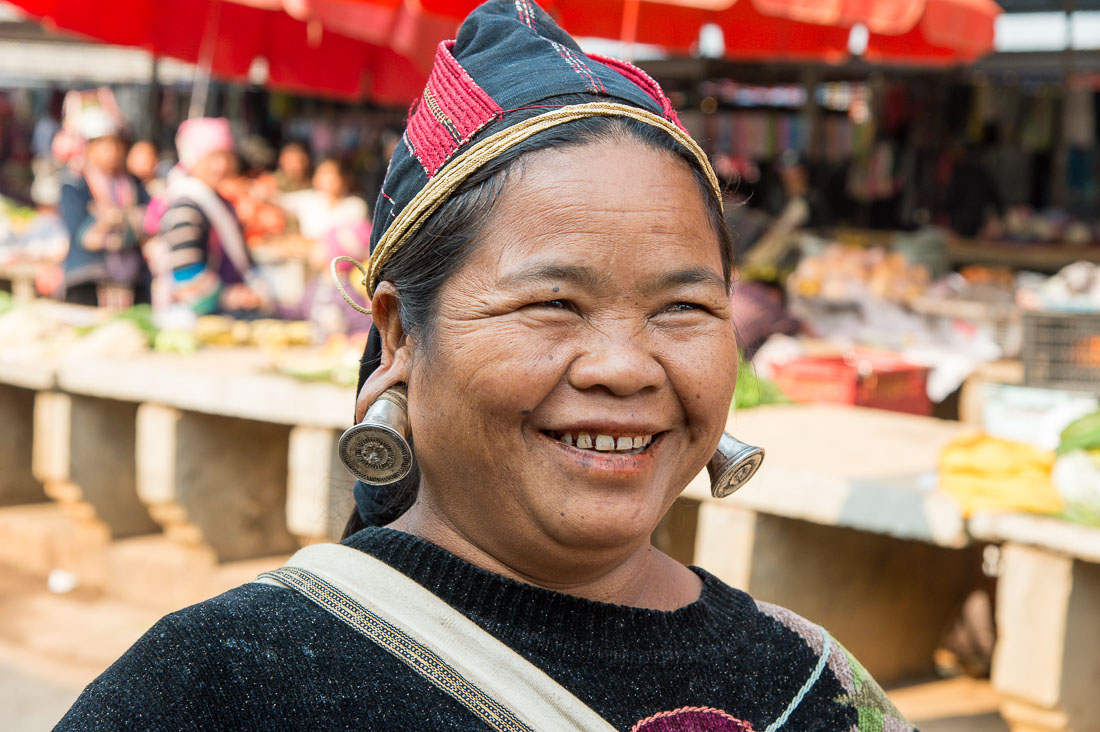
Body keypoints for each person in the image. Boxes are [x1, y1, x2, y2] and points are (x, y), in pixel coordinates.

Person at [56, 3, 912, 730]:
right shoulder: (220, 687)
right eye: (553, 304)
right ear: (397, 337)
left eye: (682, 308)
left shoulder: (811, 689)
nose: (625, 367)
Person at [148, 118, 266, 315]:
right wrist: (227, 296)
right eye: (212, 158)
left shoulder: (220, 201)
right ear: (192, 159)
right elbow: (185, 270)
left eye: (226, 156)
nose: (221, 165)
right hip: (195, 317)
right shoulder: (185, 206)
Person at [58, 108, 149, 308]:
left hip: (131, 280)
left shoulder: (134, 183)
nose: (112, 151)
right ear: (88, 148)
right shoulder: (75, 185)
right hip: (87, 279)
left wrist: (111, 218)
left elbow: (148, 220)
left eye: (116, 144)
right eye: (103, 144)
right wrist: (121, 219)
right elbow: (81, 234)